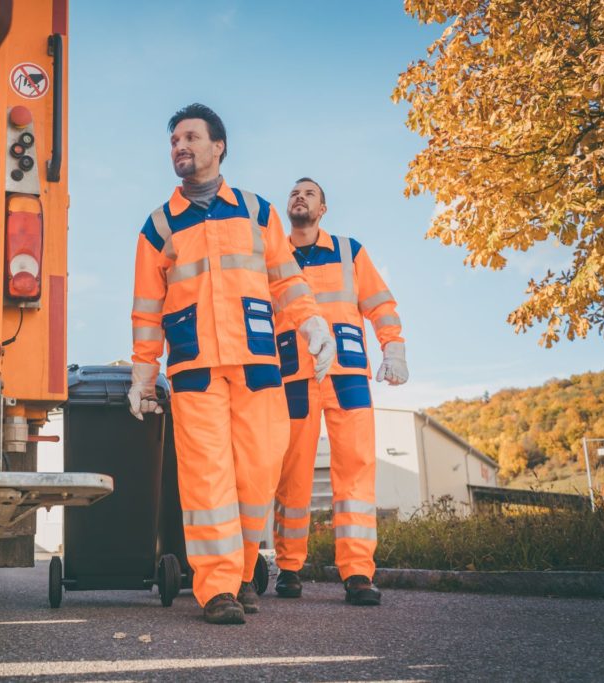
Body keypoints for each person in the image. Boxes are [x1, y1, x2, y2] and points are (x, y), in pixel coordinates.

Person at [127, 105, 335, 624]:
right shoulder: (158, 226)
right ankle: (217, 588)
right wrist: (142, 375)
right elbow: (147, 309)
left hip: (258, 363)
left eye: (191, 136)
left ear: (218, 146)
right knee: (207, 478)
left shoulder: (257, 211)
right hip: (195, 367)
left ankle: (243, 574)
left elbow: (286, 280)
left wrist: (312, 324)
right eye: (174, 138)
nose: (180, 145)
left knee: (259, 473)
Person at [272, 177, 408, 606]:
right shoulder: (273, 257)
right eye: (294, 192)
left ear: (323, 209)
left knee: (356, 472)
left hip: (347, 373)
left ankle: (358, 575)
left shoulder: (350, 252)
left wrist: (394, 348)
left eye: (309, 193)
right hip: (293, 374)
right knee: (291, 475)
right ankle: (289, 568)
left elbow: (380, 304)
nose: (300, 197)